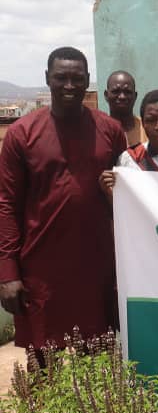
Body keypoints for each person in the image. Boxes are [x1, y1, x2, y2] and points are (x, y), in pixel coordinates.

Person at [0, 47, 126, 362]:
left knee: (98, 364)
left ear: (87, 82)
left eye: (77, 78)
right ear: (47, 79)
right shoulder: (21, 134)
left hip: (97, 267)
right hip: (40, 270)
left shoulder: (109, 131)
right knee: (43, 366)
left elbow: (127, 196)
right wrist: (7, 273)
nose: (69, 86)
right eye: (61, 78)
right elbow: (6, 205)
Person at [99, 90, 158, 202]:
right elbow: (124, 208)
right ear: (143, 124)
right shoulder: (128, 159)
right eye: (151, 120)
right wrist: (109, 192)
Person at [103, 70, 145, 146]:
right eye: (116, 91)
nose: (122, 97)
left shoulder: (147, 128)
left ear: (135, 96)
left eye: (127, 92)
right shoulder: (99, 131)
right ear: (106, 95)